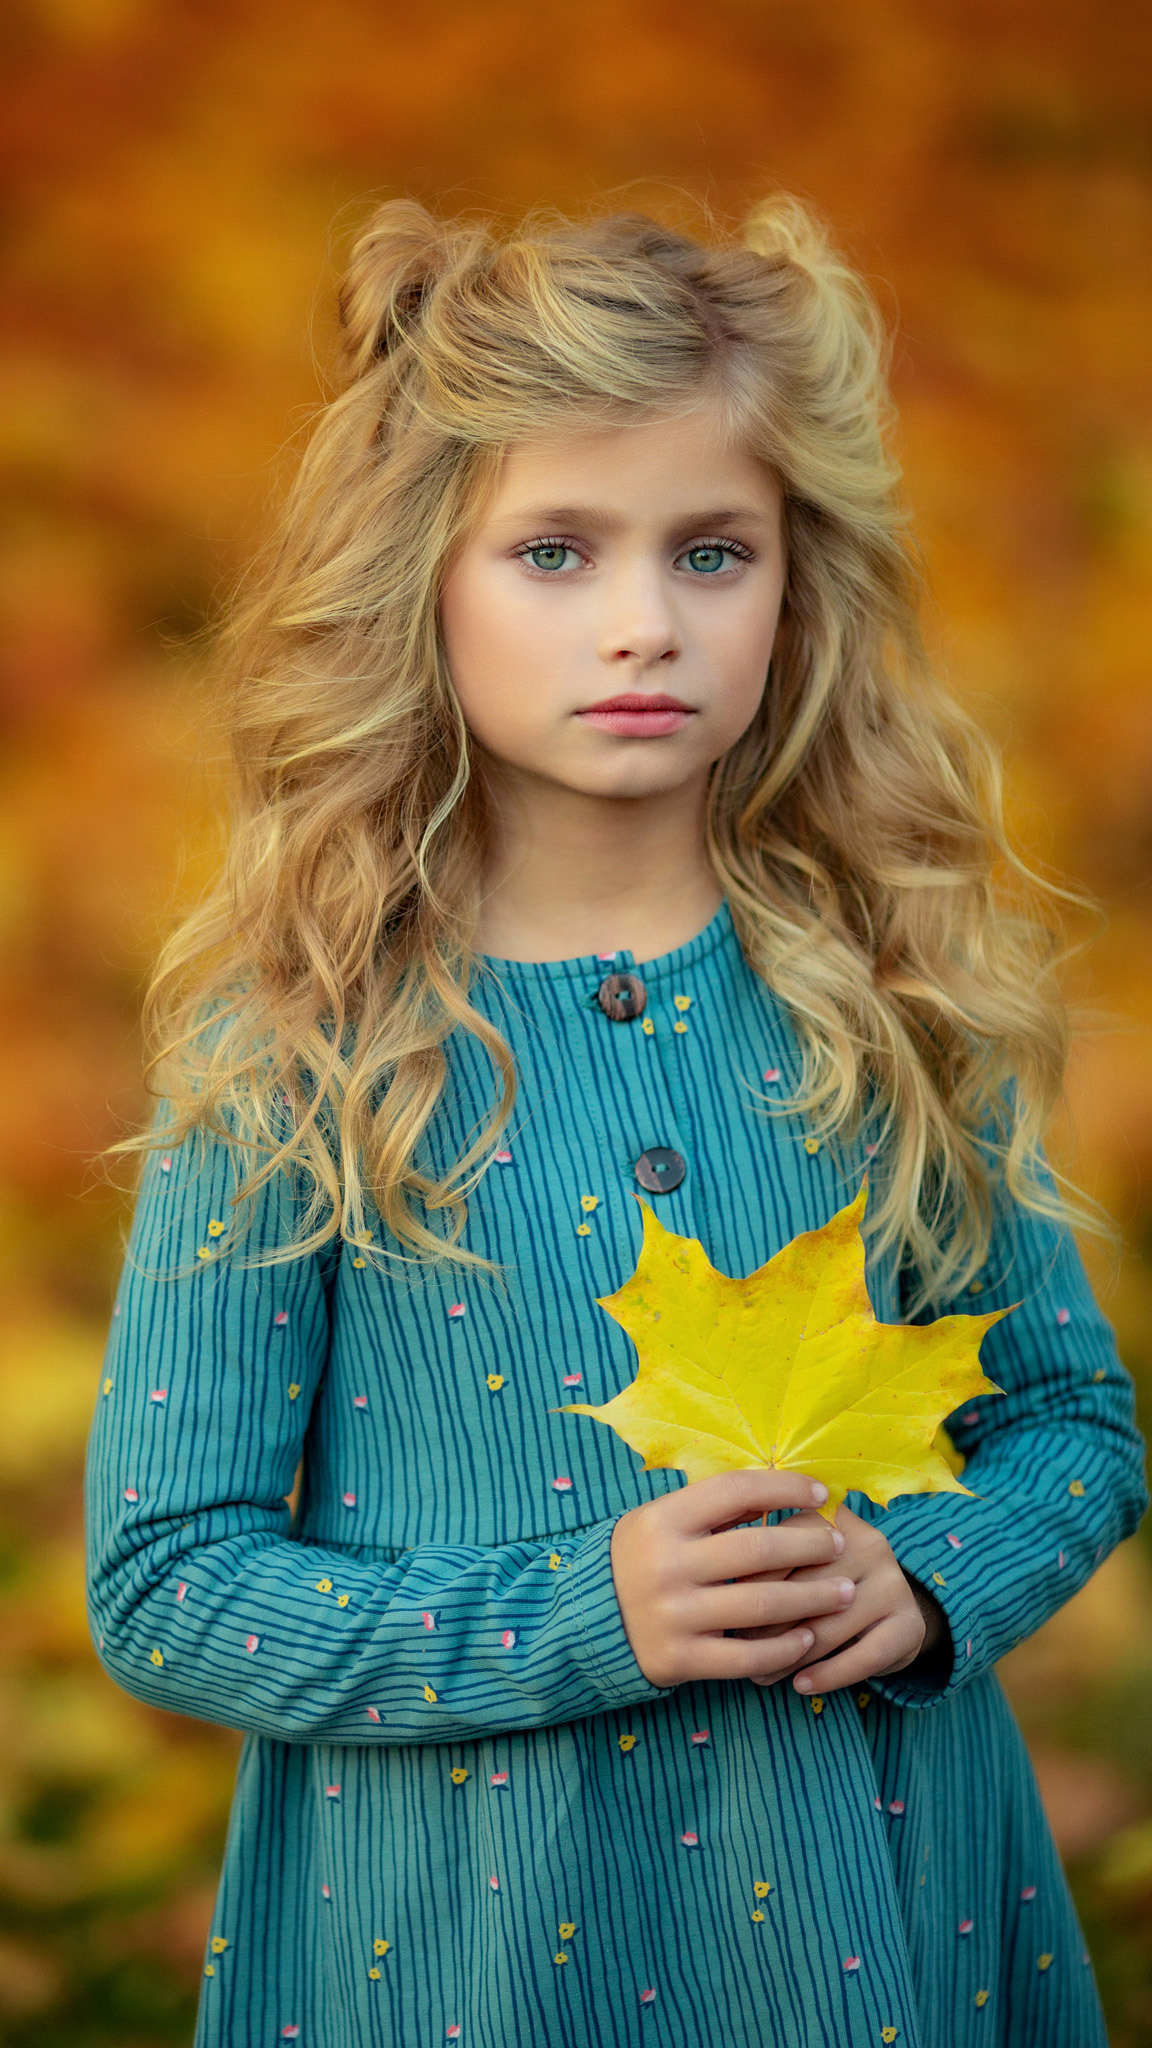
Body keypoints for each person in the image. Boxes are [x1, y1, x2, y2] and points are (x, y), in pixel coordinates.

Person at [84, 192, 1146, 2048]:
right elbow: (170, 1584)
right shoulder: (306, 1060)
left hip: (878, 1922)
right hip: (466, 1953)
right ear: (423, 577)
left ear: (798, 581)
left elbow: (1074, 1422)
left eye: (715, 554)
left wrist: (926, 1579)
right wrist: (587, 1614)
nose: (646, 623)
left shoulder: (890, 1006)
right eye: (558, 553)